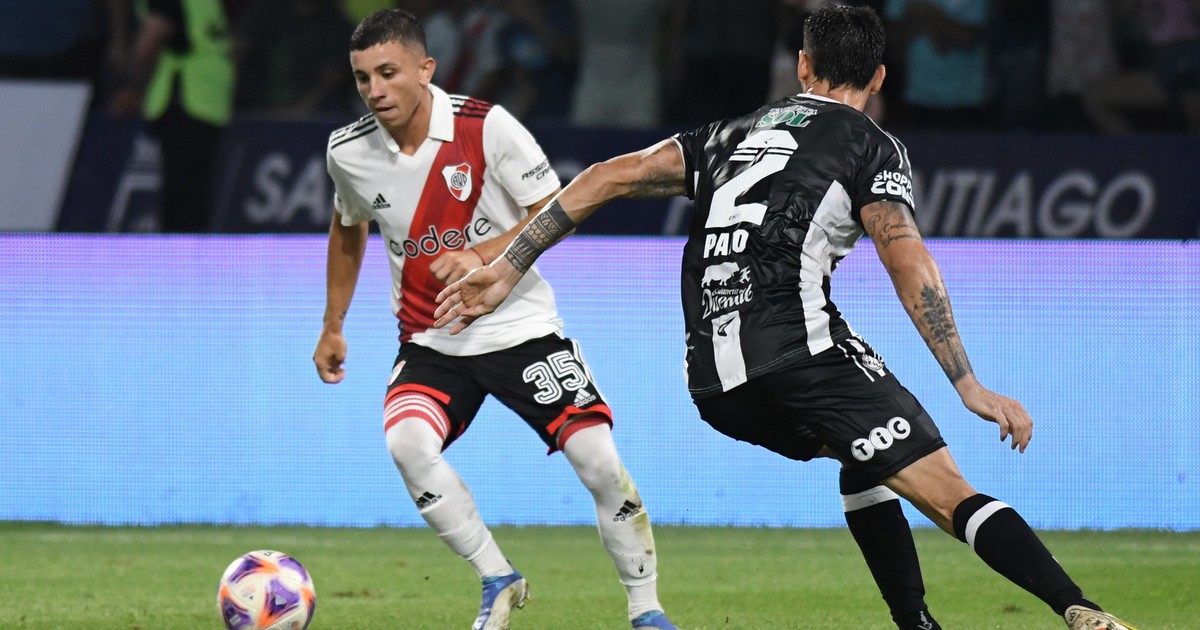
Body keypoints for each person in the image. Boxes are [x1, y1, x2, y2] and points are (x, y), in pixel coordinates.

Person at [433, 6, 1140, 630]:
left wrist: (510, 263)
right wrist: (968, 383)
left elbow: (606, 176)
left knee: (863, 457)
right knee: (947, 490)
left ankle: (916, 622)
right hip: (799, 355)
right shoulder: (869, 144)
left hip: (714, 386)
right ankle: (1079, 610)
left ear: (803, 66)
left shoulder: (728, 133)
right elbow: (908, 261)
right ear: (880, 78)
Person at [313, 9, 678, 630]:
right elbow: (348, 228)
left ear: (426, 69)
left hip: (521, 329)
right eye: (362, 78)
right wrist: (332, 323)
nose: (375, 90)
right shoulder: (348, 152)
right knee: (407, 444)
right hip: (431, 338)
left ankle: (646, 611)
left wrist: (484, 254)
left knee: (597, 460)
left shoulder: (487, 128)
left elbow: (554, 209)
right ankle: (497, 576)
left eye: (388, 73)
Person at [108, 0, 234, 232]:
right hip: (211, 98)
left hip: (184, 96)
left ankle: (178, 250)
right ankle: (193, 248)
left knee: (181, 195)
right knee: (195, 192)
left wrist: (133, 88)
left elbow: (152, 38)